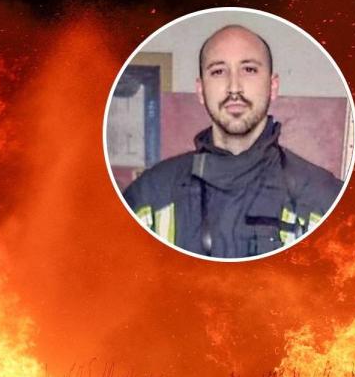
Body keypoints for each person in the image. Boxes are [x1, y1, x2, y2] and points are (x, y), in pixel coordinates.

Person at [124, 24, 343, 258]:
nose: (234, 87)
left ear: (273, 86)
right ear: (200, 90)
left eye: (249, 69)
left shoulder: (328, 200)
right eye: (218, 71)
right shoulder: (147, 197)